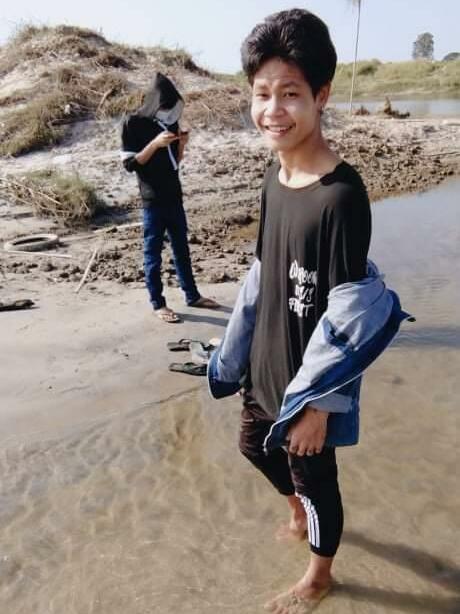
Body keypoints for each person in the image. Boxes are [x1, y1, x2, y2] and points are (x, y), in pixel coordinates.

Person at [207, 8, 412, 613]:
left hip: (307, 385)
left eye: (291, 93)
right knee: (253, 447)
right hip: (264, 367)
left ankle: (320, 576)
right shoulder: (274, 179)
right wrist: (234, 356)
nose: (273, 110)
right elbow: (263, 275)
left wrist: (320, 405)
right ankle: (297, 510)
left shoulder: (342, 196)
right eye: (262, 93)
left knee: (318, 483)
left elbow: (351, 313)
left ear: (321, 96)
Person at [121, 72, 219, 323]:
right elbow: (131, 164)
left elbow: (175, 162)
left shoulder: (171, 123)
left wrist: (182, 144)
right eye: (165, 107)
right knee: (152, 253)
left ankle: (192, 295)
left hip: (174, 195)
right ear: (155, 103)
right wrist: (154, 144)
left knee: (181, 249)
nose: (169, 113)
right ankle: (158, 303)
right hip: (152, 199)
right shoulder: (133, 123)